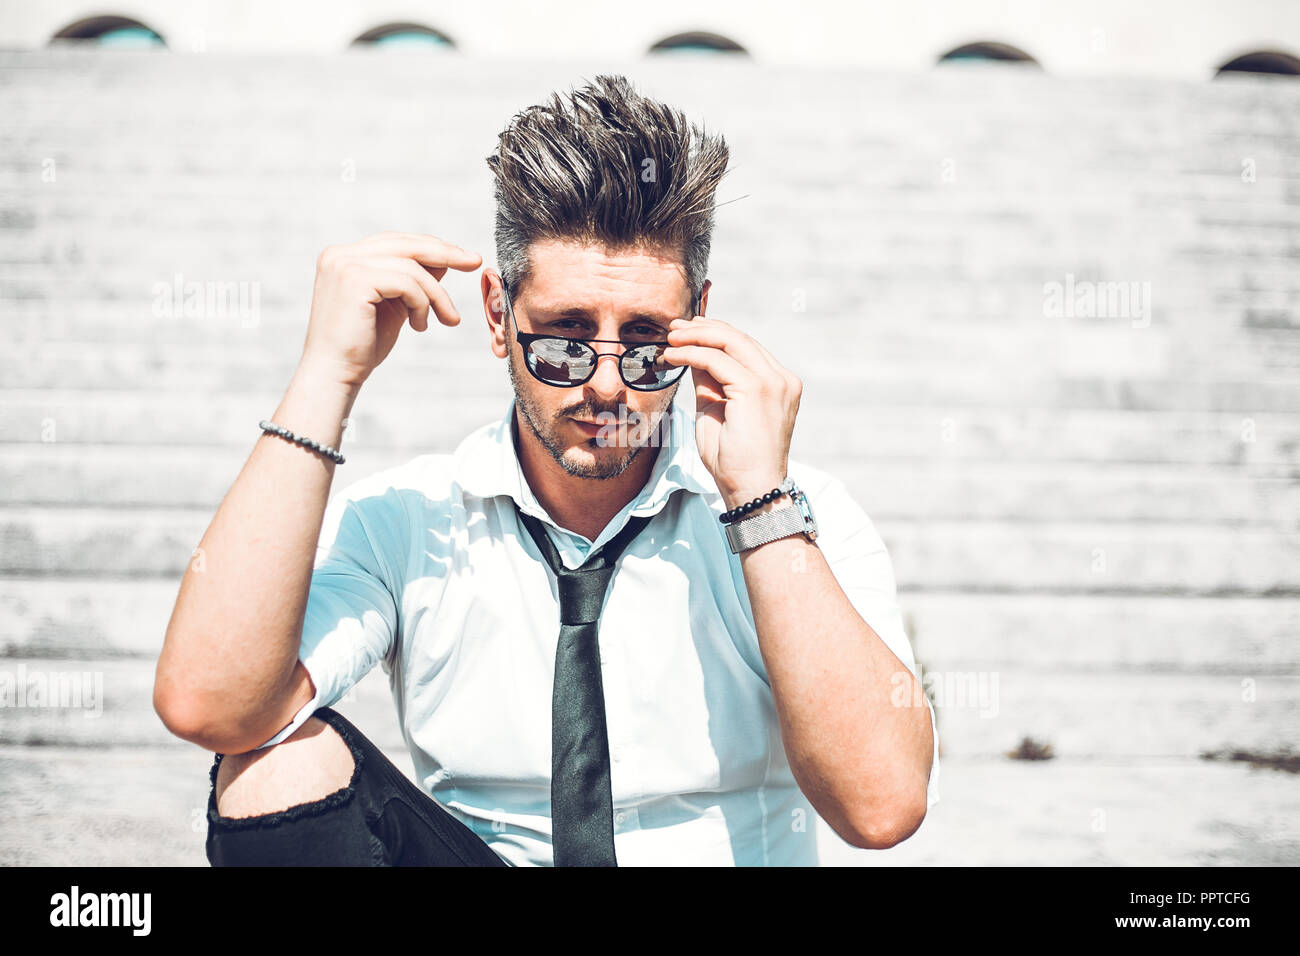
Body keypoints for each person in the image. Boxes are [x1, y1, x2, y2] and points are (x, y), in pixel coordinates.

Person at [153, 74, 939, 867]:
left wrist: (762, 505)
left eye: (645, 342)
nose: (606, 384)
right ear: (498, 316)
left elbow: (882, 806)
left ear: (699, 319)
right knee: (271, 766)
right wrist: (327, 375)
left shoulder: (797, 515)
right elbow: (212, 706)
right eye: (564, 339)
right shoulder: (407, 520)